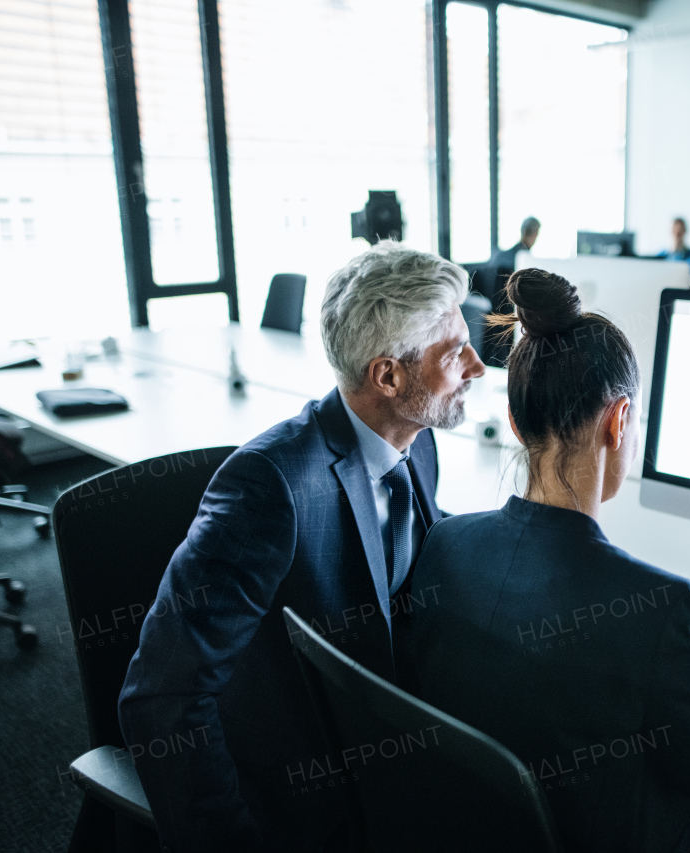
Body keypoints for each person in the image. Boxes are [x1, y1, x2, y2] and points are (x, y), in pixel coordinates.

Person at [406, 268, 690, 853]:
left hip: (477, 826)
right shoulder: (660, 605)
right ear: (618, 421)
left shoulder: (445, 544)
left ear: (514, 421)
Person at [117, 242, 486, 852]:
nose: (476, 365)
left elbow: (417, 547)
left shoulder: (416, 439)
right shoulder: (269, 488)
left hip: (385, 734)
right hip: (304, 778)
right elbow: (163, 695)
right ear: (387, 375)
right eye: (455, 351)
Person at [481, 216, 541, 367]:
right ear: (534, 235)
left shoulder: (503, 256)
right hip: (511, 315)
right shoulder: (523, 260)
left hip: (493, 314)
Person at [657, 216, 690, 281]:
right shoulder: (662, 255)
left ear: (685, 231)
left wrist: (679, 253)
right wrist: (673, 252)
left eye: (679, 233)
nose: (676, 236)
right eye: (674, 232)